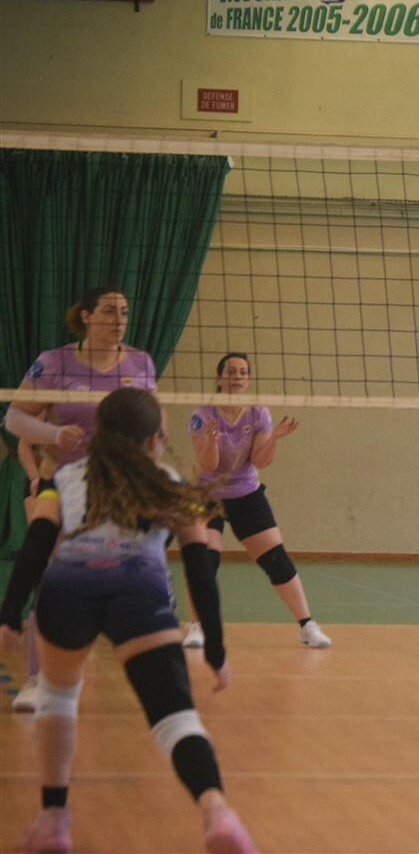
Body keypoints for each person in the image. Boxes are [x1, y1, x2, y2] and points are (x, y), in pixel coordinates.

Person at [0, 388, 257, 854]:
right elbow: (200, 568)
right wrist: (216, 648)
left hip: (69, 589)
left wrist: (10, 615)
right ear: (156, 439)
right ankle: (217, 810)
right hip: (139, 590)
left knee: (58, 697)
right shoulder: (171, 483)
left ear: (101, 435)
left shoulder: (63, 477)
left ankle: (54, 819)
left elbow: (37, 542)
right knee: (175, 717)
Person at [5, 286, 157, 713]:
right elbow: (14, 417)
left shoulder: (140, 363)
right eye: (109, 311)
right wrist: (54, 434)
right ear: (86, 317)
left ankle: (92, 663)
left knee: (114, 580)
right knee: (52, 578)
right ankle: (37, 679)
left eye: (124, 311)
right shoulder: (53, 362)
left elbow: (152, 423)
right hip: (62, 482)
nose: (119, 319)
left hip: (117, 486)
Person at [184, 354, 331, 651]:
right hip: (207, 495)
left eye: (243, 372)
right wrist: (211, 440)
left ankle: (307, 626)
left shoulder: (258, 413)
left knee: (276, 559)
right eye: (231, 372)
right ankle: (197, 626)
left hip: (246, 493)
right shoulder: (202, 415)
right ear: (219, 378)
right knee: (205, 559)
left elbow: (260, 460)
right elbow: (207, 466)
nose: (237, 377)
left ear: (248, 379)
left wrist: (274, 437)